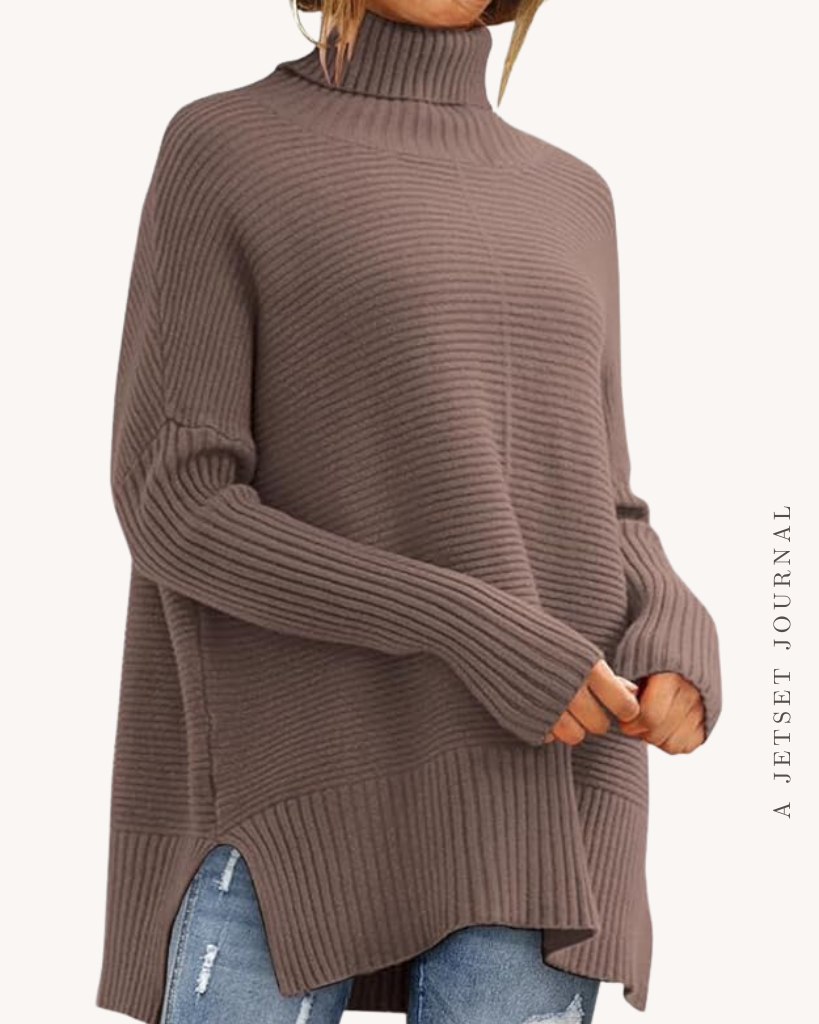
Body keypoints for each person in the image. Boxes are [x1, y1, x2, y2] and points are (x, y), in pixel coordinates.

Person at [97, 2, 723, 1023]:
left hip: (536, 794)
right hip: (293, 785)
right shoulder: (226, 147)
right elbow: (176, 502)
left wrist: (670, 621)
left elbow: (601, 496)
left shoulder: (575, 195)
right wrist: (472, 627)